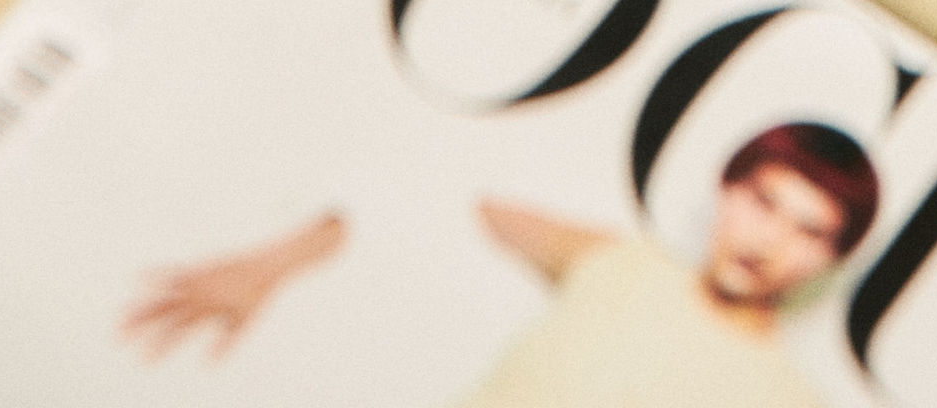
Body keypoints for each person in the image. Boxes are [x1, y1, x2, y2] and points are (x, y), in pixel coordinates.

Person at [122, 120, 881, 408]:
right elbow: (441, 195)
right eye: (762, 200)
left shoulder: (787, 401)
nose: (767, 238)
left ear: (831, 259)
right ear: (725, 188)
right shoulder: (624, 264)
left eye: (809, 230)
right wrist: (272, 261)